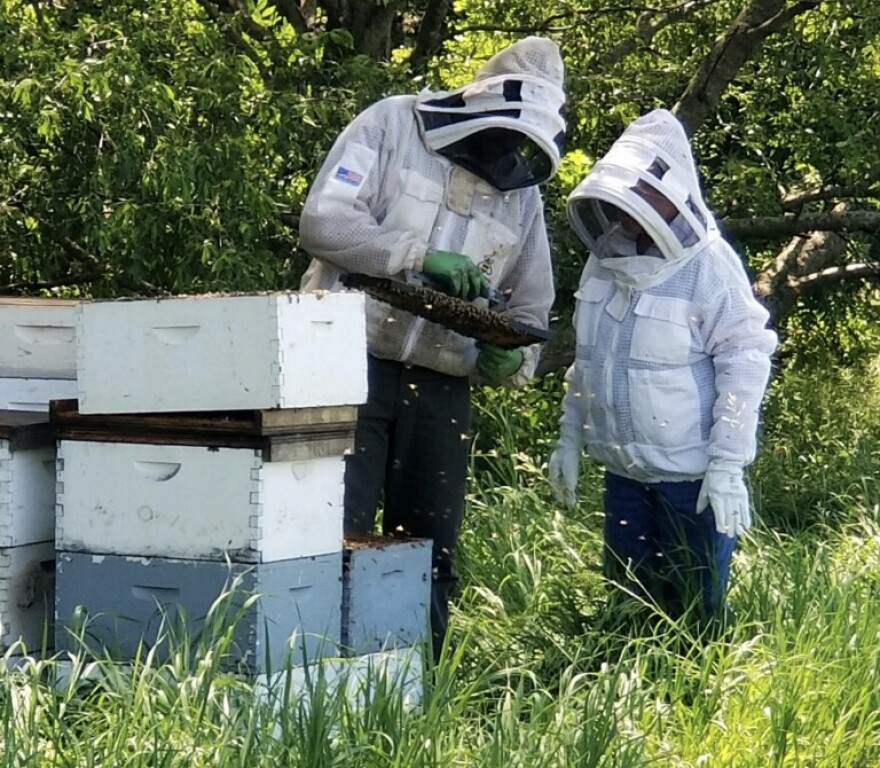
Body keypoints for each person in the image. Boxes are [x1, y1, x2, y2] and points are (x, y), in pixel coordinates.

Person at [298, 37, 566, 659]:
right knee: (334, 533)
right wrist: (417, 256)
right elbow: (323, 221)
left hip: (443, 384)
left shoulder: (522, 196)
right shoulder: (391, 124)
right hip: (344, 363)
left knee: (431, 545)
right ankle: (318, 679)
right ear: (479, 110)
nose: (507, 155)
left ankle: (420, 691)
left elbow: (530, 309)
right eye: (504, 136)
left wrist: (511, 358)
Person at [548, 108, 777, 628]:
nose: (628, 210)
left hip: (690, 481)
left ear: (671, 196)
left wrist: (727, 463)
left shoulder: (708, 265)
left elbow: (745, 361)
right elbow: (590, 360)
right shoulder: (604, 260)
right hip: (623, 474)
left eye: (643, 195)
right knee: (629, 608)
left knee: (696, 613)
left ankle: (697, 699)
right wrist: (569, 437)